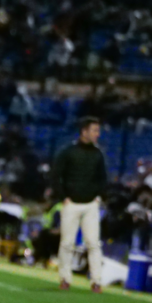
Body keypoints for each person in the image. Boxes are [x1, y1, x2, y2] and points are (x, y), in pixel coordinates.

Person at [51, 116, 107, 292]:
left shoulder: (97, 154)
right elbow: (55, 175)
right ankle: (65, 278)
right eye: (94, 130)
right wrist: (63, 197)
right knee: (67, 243)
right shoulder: (68, 152)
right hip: (71, 203)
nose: (97, 134)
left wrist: (99, 196)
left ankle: (96, 281)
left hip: (91, 204)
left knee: (93, 243)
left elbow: (102, 178)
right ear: (84, 131)